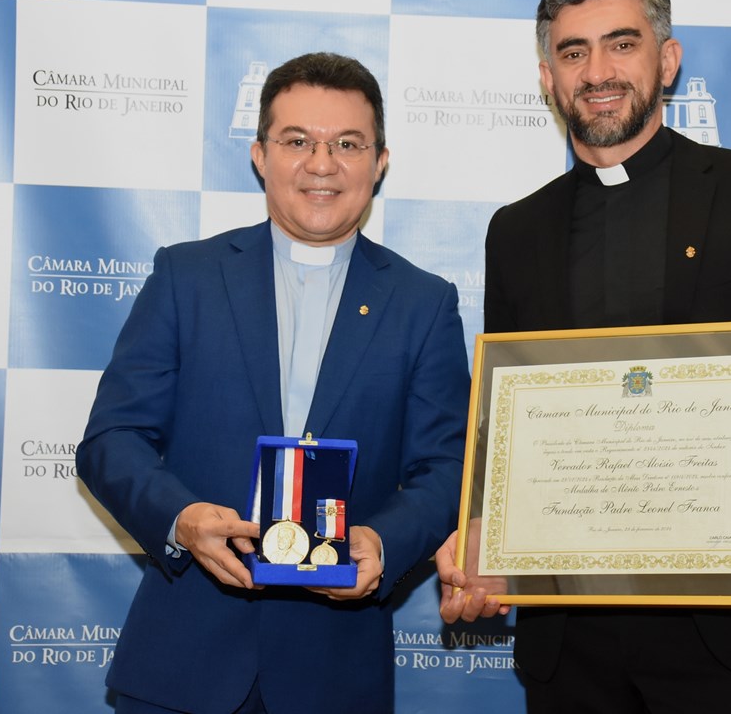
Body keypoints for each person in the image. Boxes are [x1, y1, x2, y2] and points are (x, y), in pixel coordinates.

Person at [436, 0, 731, 713]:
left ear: (667, 60)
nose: (598, 70)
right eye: (573, 52)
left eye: (622, 43)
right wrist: (480, 527)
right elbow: (505, 420)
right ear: (548, 76)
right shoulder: (515, 231)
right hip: (571, 646)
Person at [77, 52, 470, 714]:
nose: (322, 163)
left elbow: (448, 466)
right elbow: (111, 440)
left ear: (380, 160)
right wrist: (181, 519)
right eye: (297, 141)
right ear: (261, 154)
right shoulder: (187, 277)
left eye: (348, 143)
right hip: (181, 665)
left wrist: (382, 540)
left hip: (336, 672)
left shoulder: (423, 302)